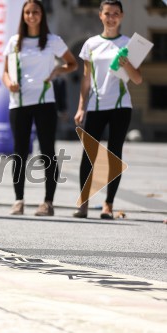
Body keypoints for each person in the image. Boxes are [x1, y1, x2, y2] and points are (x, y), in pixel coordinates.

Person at [2, 0, 78, 216]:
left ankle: (48, 202)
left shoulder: (53, 41)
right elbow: (5, 72)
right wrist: (9, 84)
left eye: (35, 11)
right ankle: (19, 200)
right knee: (19, 153)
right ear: (23, 15)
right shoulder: (15, 42)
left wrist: (55, 72)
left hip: (45, 102)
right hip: (19, 103)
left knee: (47, 153)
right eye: (27, 12)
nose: (31, 15)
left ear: (42, 15)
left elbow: (72, 63)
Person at [73, 0, 142, 219]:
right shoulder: (91, 44)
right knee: (89, 155)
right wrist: (81, 107)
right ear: (100, 15)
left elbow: (138, 79)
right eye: (107, 13)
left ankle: (108, 204)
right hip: (96, 104)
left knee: (114, 154)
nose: (111, 17)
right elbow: (86, 79)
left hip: (121, 105)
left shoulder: (128, 43)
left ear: (121, 16)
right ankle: (83, 203)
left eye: (115, 13)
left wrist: (127, 64)